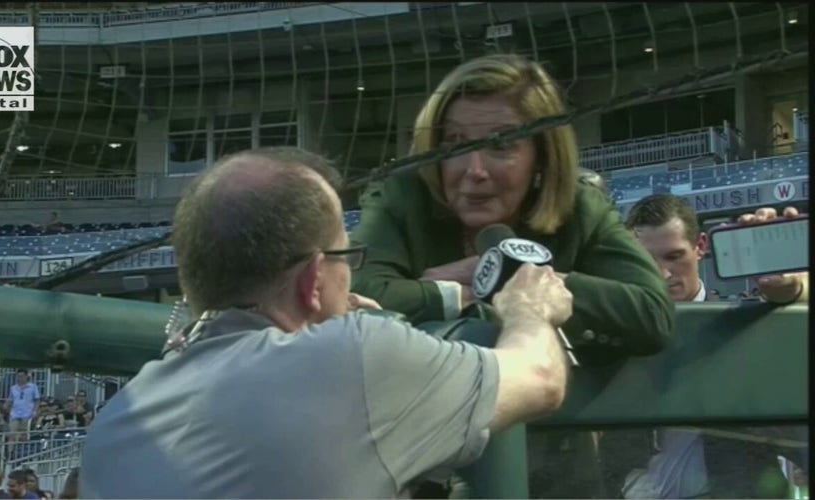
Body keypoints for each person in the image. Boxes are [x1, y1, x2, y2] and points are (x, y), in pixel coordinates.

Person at [79, 146, 574, 498]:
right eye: (346, 255)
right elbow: (540, 379)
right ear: (315, 278)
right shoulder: (353, 356)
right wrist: (530, 310)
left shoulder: (116, 420)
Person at [350, 53, 674, 363]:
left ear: (542, 156)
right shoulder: (401, 196)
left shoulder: (581, 208)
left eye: (501, 145)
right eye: (455, 143)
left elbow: (651, 312)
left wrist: (515, 279)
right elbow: (353, 296)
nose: (474, 170)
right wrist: (452, 295)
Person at [612, 195, 808, 499]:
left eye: (674, 256)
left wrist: (790, 287)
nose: (663, 273)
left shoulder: (746, 325)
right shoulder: (615, 331)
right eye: (648, 260)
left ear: (700, 246)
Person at [4, 369, 40, 455]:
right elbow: (10, 399)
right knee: (12, 434)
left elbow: (37, 400)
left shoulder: (33, 387)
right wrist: (6, 404)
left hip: (27, 414)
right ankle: (10, 453)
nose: (20, 378)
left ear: (26, 376)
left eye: (22, 376)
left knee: (24, 435)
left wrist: (34, 411)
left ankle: (23, 453)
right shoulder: (13, 388)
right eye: (18, 376)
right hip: (15, 414)